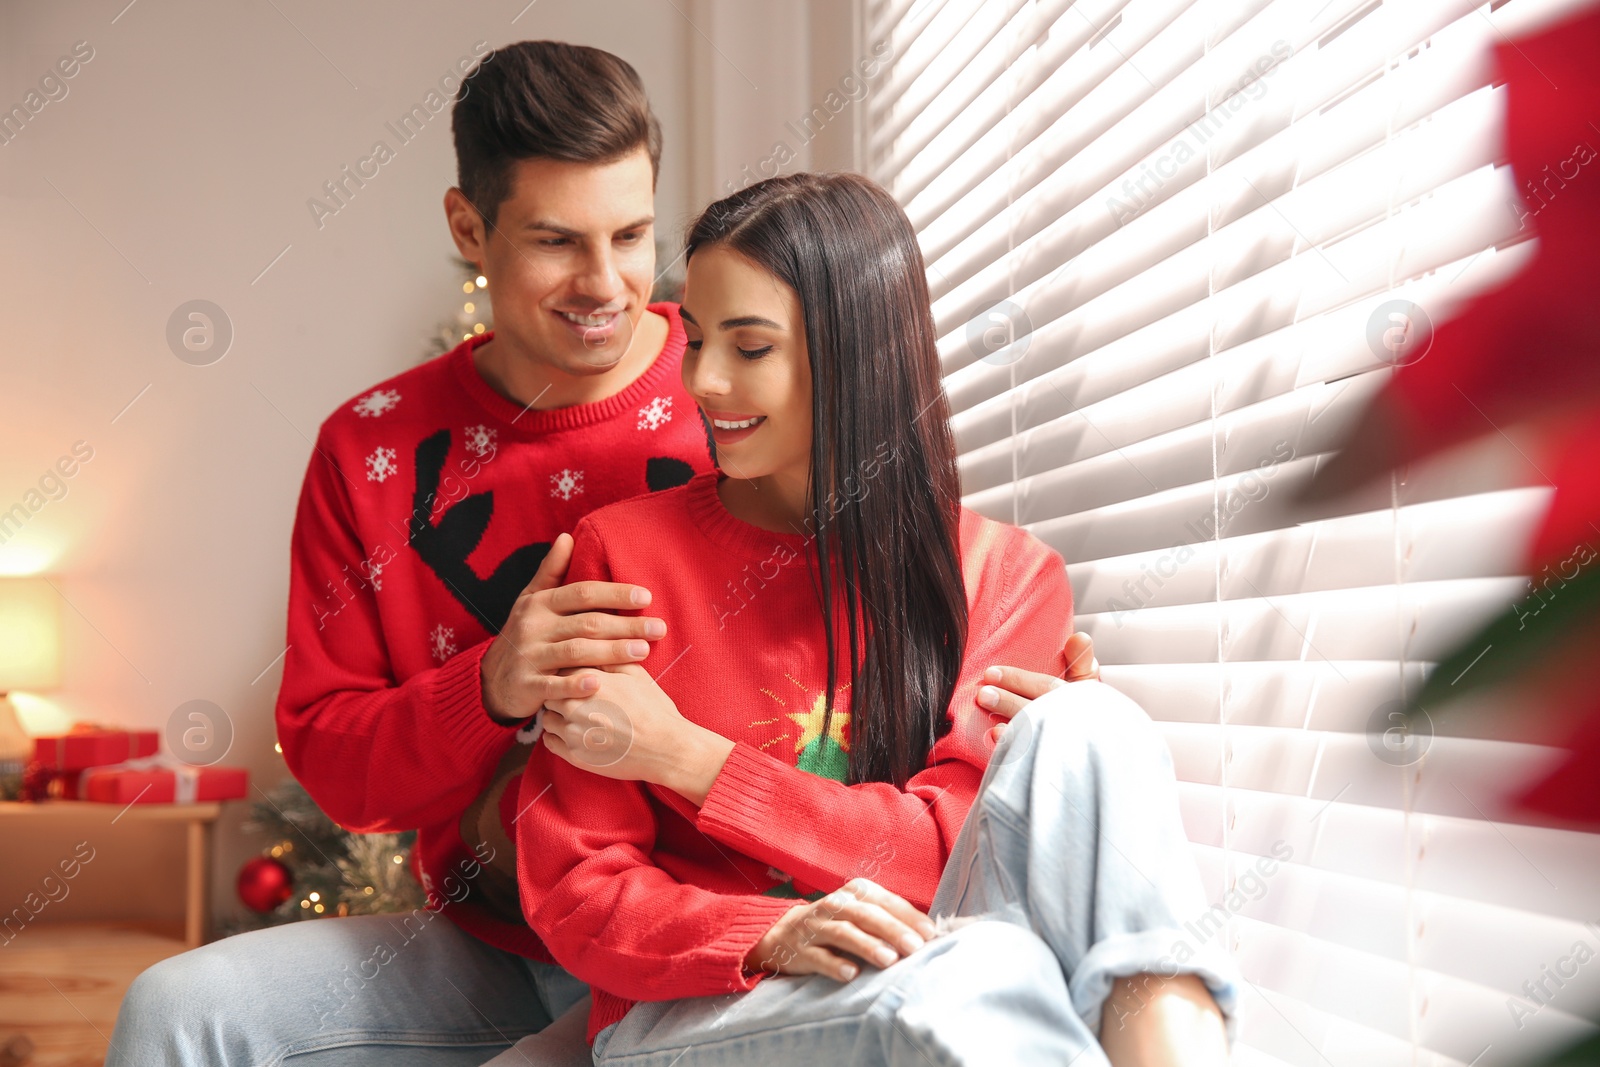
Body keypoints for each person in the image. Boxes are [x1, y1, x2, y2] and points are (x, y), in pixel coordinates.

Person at [104, 43, 1092, 1066]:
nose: (605, 282)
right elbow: (336, 763)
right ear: (468, 230)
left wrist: (1050, 702)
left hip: (735, 910)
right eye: (554, 241)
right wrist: (485, 686)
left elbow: (914, 581)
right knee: (179, 1010)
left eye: (630, 234)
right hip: (499, 931)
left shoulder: (757, 390)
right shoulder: (374, 451)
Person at [491, 172, 1238, 1066]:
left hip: (945, 957)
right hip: (703, 1005)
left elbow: (936, 861)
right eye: (695, 339)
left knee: (1090, 722)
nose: (705, 379)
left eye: (751, 346)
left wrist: (684, 756)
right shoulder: (623, 557)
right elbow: (581, 888)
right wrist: (768, 934)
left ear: (857, 360)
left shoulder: (1004, 575)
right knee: (967, 977)